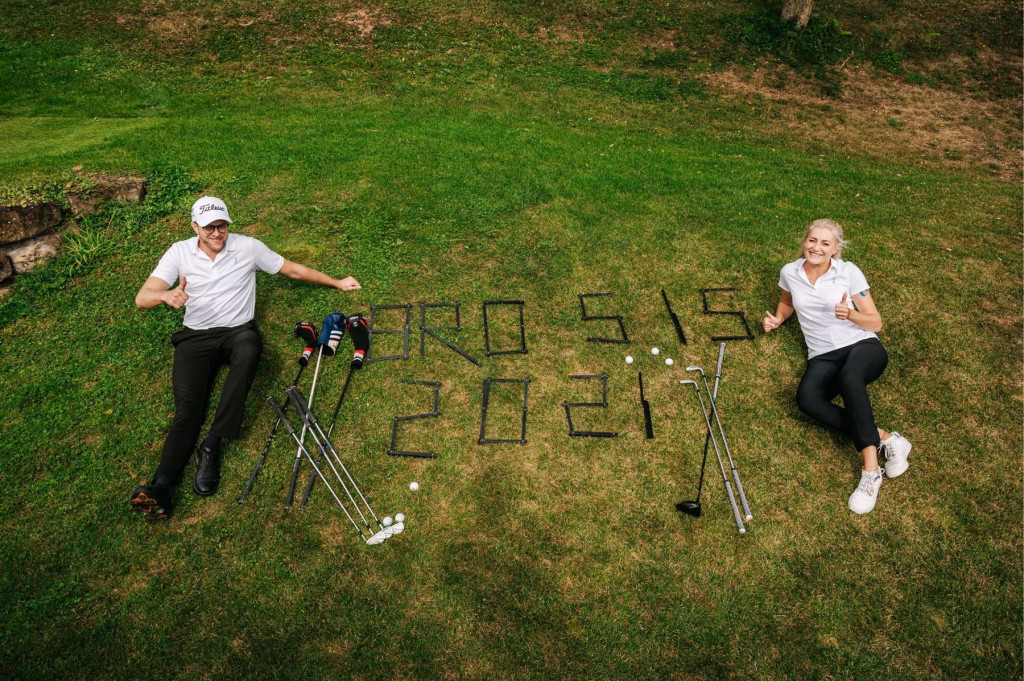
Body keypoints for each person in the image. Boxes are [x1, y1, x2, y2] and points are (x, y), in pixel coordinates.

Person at [130, 196, 360, 520]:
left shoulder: (248, 247)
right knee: (188, 411)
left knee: (250, 350)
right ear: (194, 226)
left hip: (238, 332)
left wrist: (336, 282)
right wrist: (166, 295)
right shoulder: (179, 252)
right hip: (195, 337)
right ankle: (162, 487)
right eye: (209, 226)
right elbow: (143, 297)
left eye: (221, 225)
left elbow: (291, 269)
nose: (217, 232)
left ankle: (211, 444)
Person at [763, 219, 911, 514]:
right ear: (804, 242)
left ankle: (870, 472)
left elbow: (875, 322)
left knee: (849, 377)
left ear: (836, 249)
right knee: (807, 400)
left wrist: (851, 314)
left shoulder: (848, 272)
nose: (816, 247)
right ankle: (887, 439)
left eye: (825, 243)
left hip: (862, 346)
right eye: (812, 241)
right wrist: (779, 319)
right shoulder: (790, 272)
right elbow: (786, 301)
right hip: (822, 355)